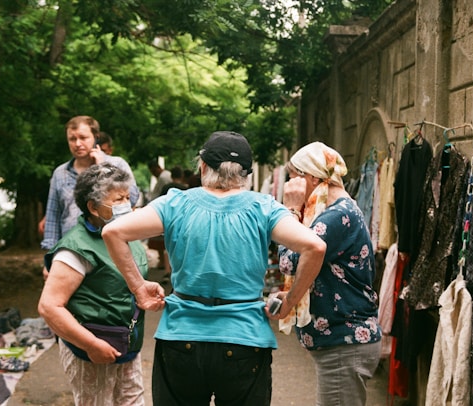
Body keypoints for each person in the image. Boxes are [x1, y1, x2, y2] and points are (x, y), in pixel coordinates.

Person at [102, 131, 326, 406]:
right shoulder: (263, 207)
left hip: (180, 339)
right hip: (245, 341)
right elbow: (315, 247)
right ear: (246, 175)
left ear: (203, 167)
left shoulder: (175, 203)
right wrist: (290, 301)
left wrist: (139, 288)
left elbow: (113, 232)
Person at [38, 162, 165, 406]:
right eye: (118, 199)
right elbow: (49, 307)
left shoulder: (125, 234)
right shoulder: (77, 248)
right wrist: (91, 345)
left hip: (127, 344)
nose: (126, 204)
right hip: (91, 350)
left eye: (128, 197)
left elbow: (116, 276)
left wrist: (142, 286)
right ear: (93, 207)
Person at [278, 141, 382, 406]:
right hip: (342, 344)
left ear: (312, 177)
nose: (290, 185)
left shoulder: (335, 217)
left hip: (343, 345)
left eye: (294, 177)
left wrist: (290, 209)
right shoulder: (337, 212)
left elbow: (289, 260)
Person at [41, 116, 139, 278]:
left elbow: (132, 199)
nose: (77, 143)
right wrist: (48, 261)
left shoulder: (117, 164)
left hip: (110, 250)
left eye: (83, 138)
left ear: (96, 138)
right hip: (71, 253)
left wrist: (102, 168)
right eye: (72, 139)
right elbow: (53, 216)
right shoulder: (60, 173)